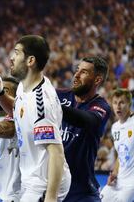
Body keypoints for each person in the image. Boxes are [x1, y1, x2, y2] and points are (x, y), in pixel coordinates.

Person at [0, 35, 71, 202]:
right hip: (31, 180)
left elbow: (56, 153)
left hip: (43, 185)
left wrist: (50, 197)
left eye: (16, 53)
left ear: (30, 61)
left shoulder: (42, 102)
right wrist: (0, 93)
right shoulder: (25, 86)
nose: (11, 58)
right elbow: (18, 110)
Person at [56, 56, 111, 202]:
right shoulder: (59, 95)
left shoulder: (101, 106)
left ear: (97, 80)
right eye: (77, 70)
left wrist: (53, 106)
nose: (76, 75)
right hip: (52, 187)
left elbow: (87, 120)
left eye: (84, 72)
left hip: (82, 192)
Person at [100, 88, 134, 202]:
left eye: (122, 102)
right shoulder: (115, 127)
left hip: (131, 184)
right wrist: (114, 173)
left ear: (129, 104)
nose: (118, 106)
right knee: (102, 198)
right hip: (118, 180)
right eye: (115, 103)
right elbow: (121, 154)